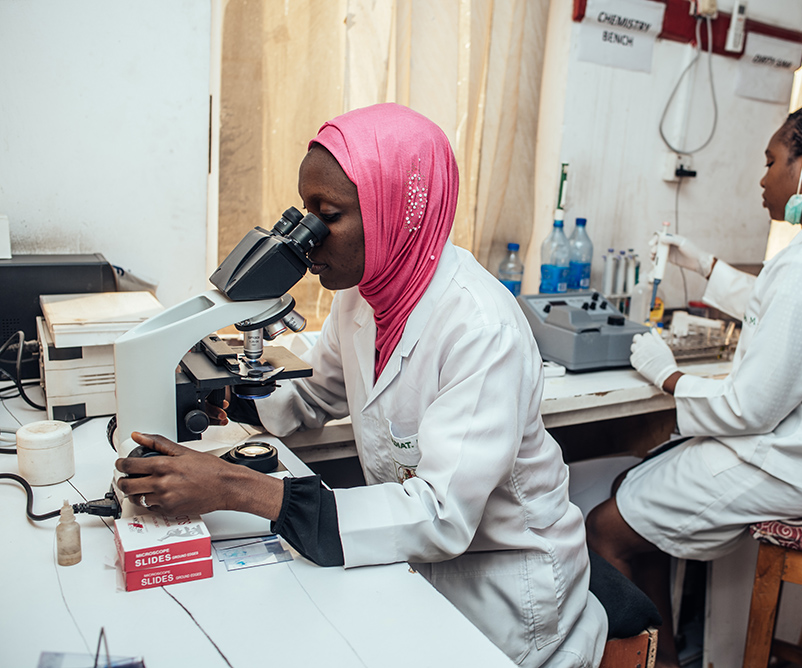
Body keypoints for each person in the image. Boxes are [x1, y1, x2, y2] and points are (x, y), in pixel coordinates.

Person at [116, 103, 608, 668]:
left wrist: (236, 489)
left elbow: (441, 515)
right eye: (305, 212)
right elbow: (314, 394)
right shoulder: (364, 290)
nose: (309, 238)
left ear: (396, 211)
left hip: (504, 598)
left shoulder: (479, 327)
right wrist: (220, 405)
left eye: (329, 214)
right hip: (408, 565)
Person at [585, 97, 802, 668]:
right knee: (639, 493)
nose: (762, 178)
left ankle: (645, 660)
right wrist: (708, 267)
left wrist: (668, 376)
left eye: (770, 161)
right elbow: (785, 313)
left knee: (605, 529)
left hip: (790, 461)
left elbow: (749, 409)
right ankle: (663, 658)